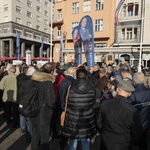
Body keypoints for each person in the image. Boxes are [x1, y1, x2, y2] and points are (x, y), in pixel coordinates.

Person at [97, 80, 143, 150]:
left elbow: (99, 123)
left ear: (117, 90)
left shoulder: (105, 104)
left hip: (106, 142)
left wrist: (104, 132)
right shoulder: (132, 111)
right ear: (130, 94)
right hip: (124, 144)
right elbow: (137, 133)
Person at [62, 68, 96, 150]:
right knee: (85, 140)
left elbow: (65, 101)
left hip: (72, 117)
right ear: (86, 76)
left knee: (73, 140)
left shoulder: (70, 87)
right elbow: (93, 101)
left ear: (76, 75)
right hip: (86, 116)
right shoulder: (91, 87)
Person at [29, 63, 55, 150]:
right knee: (44, 136)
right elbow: (50, 101)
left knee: (35, 133)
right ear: (51, 72)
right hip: (44, 113)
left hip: (34, 110)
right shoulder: (47, 82)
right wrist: (53, 106)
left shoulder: (34, 80)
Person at [128, 72, 150, 150]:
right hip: (147, 125)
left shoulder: (132, 94)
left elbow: (128, 111)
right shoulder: (148, 92)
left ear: (134, 81)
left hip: (136, 126)